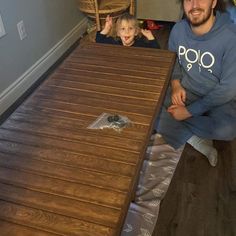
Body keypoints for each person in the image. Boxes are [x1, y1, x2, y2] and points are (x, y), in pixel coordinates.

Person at [155, 0, 236, 167]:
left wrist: (189, 112)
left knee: (228, 129)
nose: (194, 5)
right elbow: (173, 60)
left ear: (213, 2)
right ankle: (196, 140)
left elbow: (228, 89)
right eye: (188, 0)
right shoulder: (178, 29)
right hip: (185, 90)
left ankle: (182, 129)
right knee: (149, 107)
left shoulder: (230, 36)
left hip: (217, 97)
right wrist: (176, 83)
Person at [95, 13, 160, 49]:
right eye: (123, 29)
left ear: (136, 32)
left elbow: (157, 52)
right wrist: (106, 29)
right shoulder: (114, 42)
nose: (127, 32)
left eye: (130, 28)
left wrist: (151, 38)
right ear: (118, 33)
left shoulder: (141, 44)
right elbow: (98, 41)